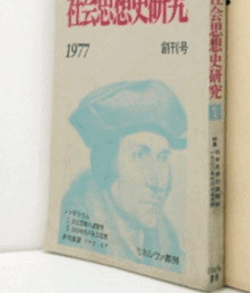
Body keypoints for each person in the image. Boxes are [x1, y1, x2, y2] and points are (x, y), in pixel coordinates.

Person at [58, 80, 187, 273]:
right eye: (140, 155)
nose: (159, 183)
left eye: (163, 158)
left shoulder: (167, 242)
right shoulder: (80, 233)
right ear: (106, 165)